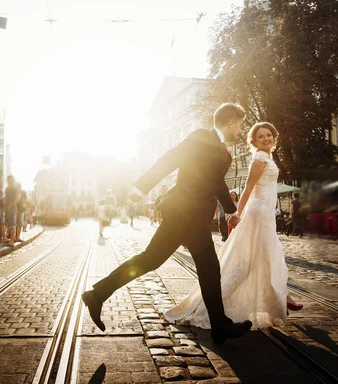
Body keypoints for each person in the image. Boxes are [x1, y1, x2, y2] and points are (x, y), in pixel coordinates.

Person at [82, 103, 252, 344]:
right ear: (232, 121)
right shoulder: (201, 137)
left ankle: (219, 325)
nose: (240, 129)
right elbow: (170, 158)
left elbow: (216, 182)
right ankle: (97, 294)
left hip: (192, 216)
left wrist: (231, 211)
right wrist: (141, 188)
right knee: (155, 260)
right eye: (240, 124)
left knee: (202, 268)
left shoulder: (218, 147)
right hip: (184, 213)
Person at [164, 122, 303, 331]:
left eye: (268, 135)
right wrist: (237, 212)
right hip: (258, 212)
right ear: (254, 142)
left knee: (266, 256)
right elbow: (248, 187)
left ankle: (283, 295)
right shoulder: (259, 158)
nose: (266, 139)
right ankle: (278, 297)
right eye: (260, 137)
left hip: (266, 213)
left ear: (274, 136)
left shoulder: (268, 157)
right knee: (253, 259)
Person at [4, 176, 19, 247]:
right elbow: (5, 199)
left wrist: (11, 205)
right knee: (9, 224)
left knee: (12, 224)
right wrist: (5, 208)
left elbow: (17, 198)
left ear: (13, 180)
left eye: (10, 180)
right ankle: (11, 239)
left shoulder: (14, 188)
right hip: (7, 208)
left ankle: (12, 240)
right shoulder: (7, 189)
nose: (9, 181)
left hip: (12, 208)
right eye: (8, 180)